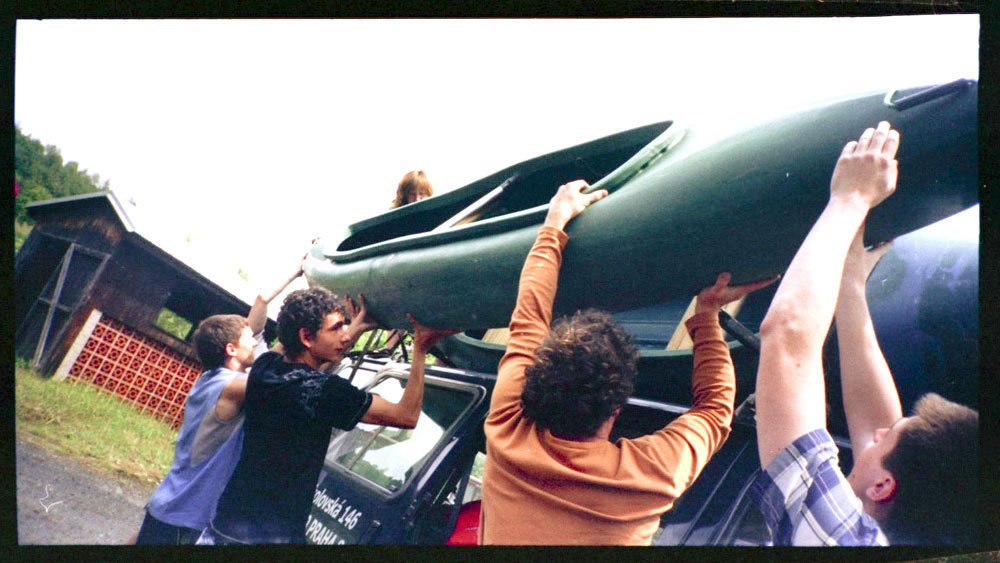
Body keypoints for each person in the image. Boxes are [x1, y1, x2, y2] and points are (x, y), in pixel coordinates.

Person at [479, 180, 777, 545]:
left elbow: (528, 319)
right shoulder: (652, 476)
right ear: (616, 410)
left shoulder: (507, 425)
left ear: (534, 385)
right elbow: (716, 410)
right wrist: (707, 311)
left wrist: (554, 223)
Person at [751, 121, 978, 546]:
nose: (876, 433)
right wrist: (851, 280)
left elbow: (786, 335)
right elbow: (879, 424)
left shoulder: (840, 538)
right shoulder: (902, 527)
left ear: (882, 487)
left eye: (885, 440)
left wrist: (851, 197)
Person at [198, 287, 454, 544]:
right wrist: (420, 349)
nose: (345, 335)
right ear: (306, 337)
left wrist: (357, 324)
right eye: (336, 329)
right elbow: (406, 416)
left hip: (223, 524)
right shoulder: (325, 391)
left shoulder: (265, 368)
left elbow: (299, 348)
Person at [134, 262, 304, 544]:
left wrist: (298, 270)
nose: (256, 342)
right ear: (231, 349)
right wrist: (304, 326)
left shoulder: (212, 379)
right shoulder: (233, 387)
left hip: (168, 505)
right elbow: (277, 368)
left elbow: (261, 301)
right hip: (185, 518)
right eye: (249, 339)